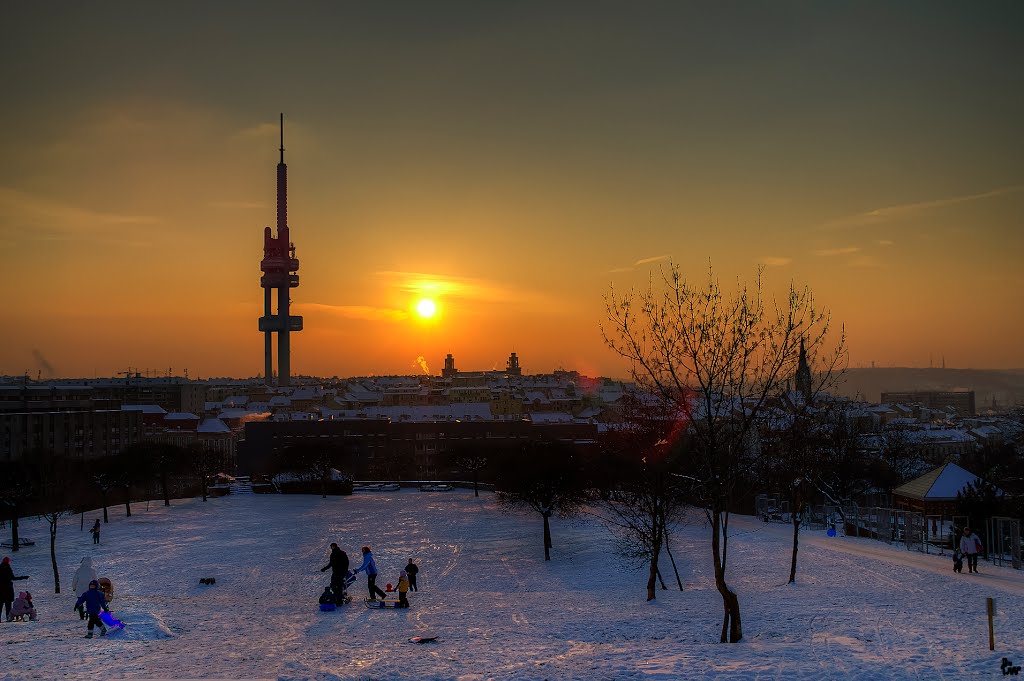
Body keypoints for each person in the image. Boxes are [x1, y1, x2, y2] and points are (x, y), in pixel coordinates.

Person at [1, 556, 29, 623]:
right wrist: (23, 577)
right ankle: (8, 618)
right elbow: (12, 578)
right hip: (8, 589)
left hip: (0, 590)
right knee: (8, 605)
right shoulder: (8, 568)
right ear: (8, 562)